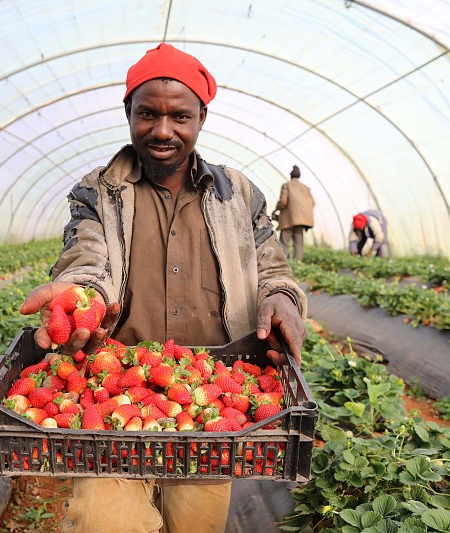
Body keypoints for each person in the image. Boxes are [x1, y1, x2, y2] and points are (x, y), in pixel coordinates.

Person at [19, 42, 307, 533]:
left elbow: (272, 268)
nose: (162, 130)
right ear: (128, 113)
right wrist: (79, 294)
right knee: (104, 522)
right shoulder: (98, 191)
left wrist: (282, 299)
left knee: (196, 525)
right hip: (110, 392)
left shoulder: (238, 194)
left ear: (201, 117)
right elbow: (86, 257)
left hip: (213, 387)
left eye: (180, 116)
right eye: (147, 114)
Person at [273, 165, 315, 262]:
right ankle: (298, 263)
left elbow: (283, 201)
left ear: (291, 176)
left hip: (289, 219)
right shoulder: (306, 188)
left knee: (284, 242)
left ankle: (282, 264)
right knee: (298, 243)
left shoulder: (287, 185)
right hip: (301, 221)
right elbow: (312, 203)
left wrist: (276, 209)